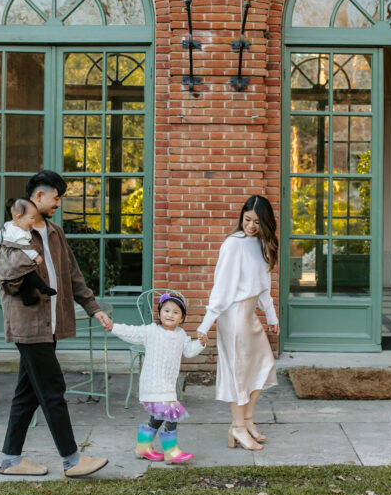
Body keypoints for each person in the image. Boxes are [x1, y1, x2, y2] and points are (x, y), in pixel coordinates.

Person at [0, 169, 113, 478]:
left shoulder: (55, 233)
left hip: (50, 324)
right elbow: (3, 271)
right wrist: (28, 255)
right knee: (52, 389)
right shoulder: (15, 231)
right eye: (56, 197)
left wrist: (93, 308)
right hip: (29, 323)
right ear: (38, 197)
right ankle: (72, 460)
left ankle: (10, 459)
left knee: (28, 392)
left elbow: (72, 275)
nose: (58, 203)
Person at [196, 195, 280, 452]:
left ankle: (247, 420)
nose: (251, 226)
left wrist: (272, 316)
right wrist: (205, 323)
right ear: (241, 217)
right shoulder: (233, 244)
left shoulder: (262, 244)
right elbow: (221, 288)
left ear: (265, 223)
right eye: (247, 220)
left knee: (264, 366)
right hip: (233, 315)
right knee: (239, 373)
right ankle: (237, 427)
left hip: (250, 314)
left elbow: (264, 288)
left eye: (257, 222)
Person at [108, 291, 206, 464]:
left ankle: (143, 447)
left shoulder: (181, 334)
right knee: (172, 412)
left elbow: (189, 351)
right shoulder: (151, 331)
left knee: (159, 416)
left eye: (176, 312)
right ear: (159, 313)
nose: (170, 315)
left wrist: (200, 343)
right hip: (153, 381)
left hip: (167, 383)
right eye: (166, 310)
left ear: (182, 318)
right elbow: (131, 332)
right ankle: (171, 452)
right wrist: (113, 327)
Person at [0, 198, 57, 306]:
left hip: (5, 262)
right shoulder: (19, 233)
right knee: (29, 272)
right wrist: (36, 257)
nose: (33, 221)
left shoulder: (8, 226)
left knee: (23, 280)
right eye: (31, 218)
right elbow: (25, 247)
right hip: (15, 260)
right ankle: (43, 287)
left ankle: (27, 299)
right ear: (19, 217)